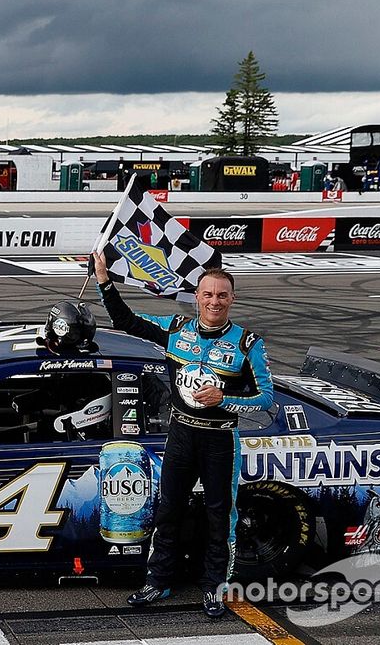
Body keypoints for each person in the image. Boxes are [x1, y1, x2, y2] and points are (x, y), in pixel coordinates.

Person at [92, 251, 273, 619]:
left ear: (232, 299)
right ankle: (158, 581)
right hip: (181, 436)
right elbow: (125, 320)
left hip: (220, 439)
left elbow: (267, 398)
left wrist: (226, 398)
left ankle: (214, 588)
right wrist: (104, 281)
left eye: (222, 295)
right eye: (208, 295)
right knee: (168, 511)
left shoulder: (247, 344)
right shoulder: (176, 329)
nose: (214, 301)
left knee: (220, 516)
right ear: (197, 298)